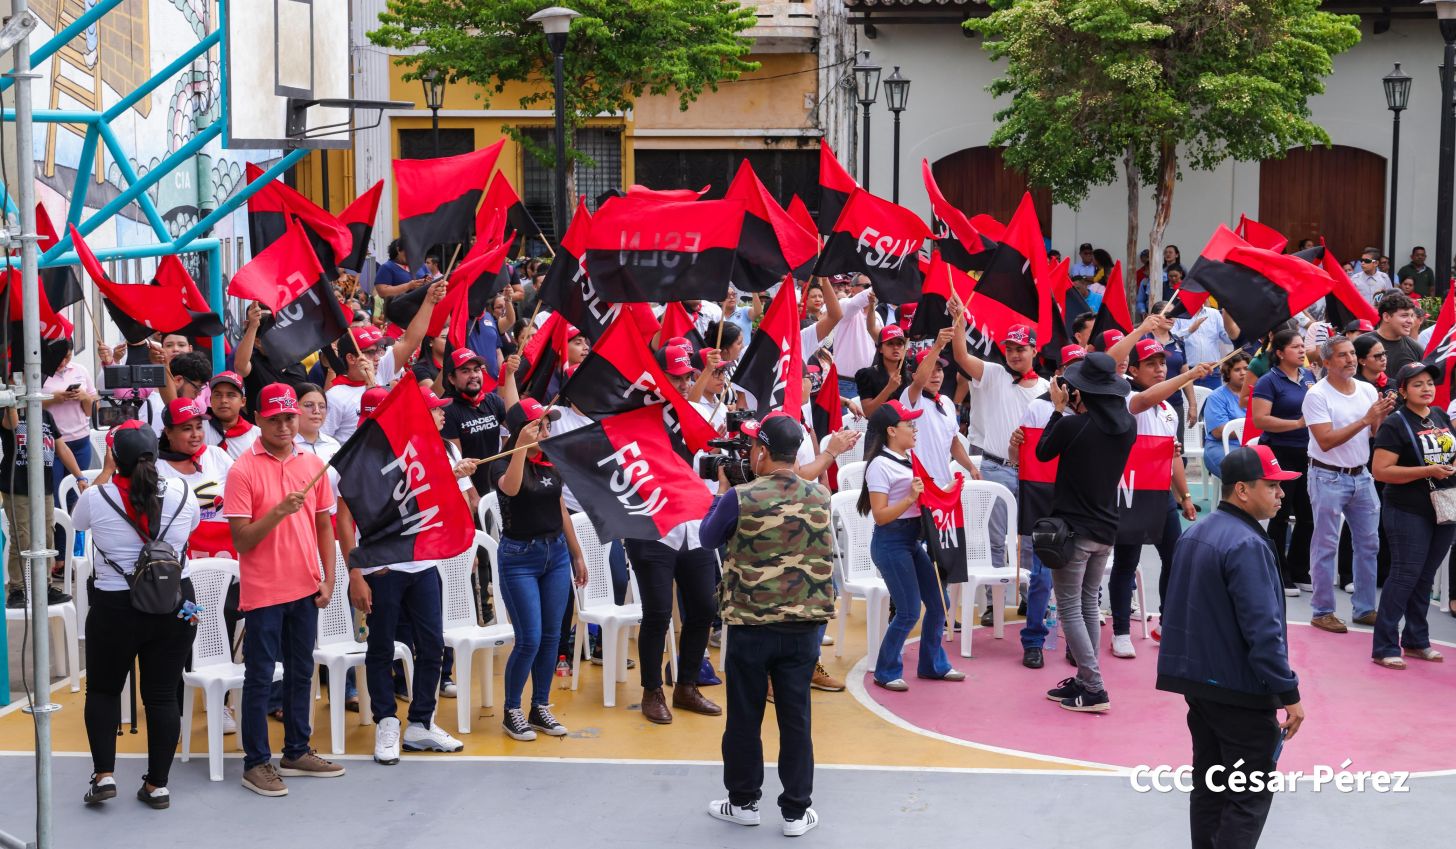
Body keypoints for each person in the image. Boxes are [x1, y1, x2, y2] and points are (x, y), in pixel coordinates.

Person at [1158, 445, 1305, 849]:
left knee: (1210, 787)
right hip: (1240, 691)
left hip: (1200, 686)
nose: (1281, 494)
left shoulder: (1195, 533)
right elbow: (1264, 632)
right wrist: (1289, 693)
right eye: (1272, 485)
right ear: (1242, 489)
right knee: (1248, 796)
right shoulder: (1248, 544)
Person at [699, 414, 835, 837]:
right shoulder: (822, 495)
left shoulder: (739, 496)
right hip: (803, 629)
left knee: (744, 717)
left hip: (750, 626)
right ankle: (795, 812)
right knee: (796, 719)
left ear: (761, 451)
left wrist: (721, 492)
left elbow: (707, 538)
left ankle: (743, 803)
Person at [223, 383, 343, 796]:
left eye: (289, 416)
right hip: (263, 592)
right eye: (274, 418)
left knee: (301, 672)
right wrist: (278, 512)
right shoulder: (242, 470)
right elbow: (241, 541)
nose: (284, 425)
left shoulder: (313, 464)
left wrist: (328, 577)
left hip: (305, 588)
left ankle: (296, 751)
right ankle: (255, 763)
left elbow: (325, 525)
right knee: (259, 677)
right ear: (258, 418)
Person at [74, 423, 200, 810]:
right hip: (175, 603)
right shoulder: (183, 492)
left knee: (104, 690)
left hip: (115, 606)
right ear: (157, 455)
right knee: (163, 695)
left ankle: (104, 775)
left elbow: (78, 525)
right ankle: (157, 785)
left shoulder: (97, 497)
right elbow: (192, 528)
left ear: (115, 457)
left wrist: (106, 472)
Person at [337, 395, 467, 764]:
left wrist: (453, 475)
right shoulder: (355, 459)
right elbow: (344, 520)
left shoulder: (422, 449)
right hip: (381, 569)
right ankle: (386, 722)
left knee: (432, 645)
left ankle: (421, 723)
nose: (439, 413)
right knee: (381, 648)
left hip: (422, 563)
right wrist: (356, 573)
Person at [627, 346, 728, 723]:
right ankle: (652, 690)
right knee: (657, 614)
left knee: (703, 608)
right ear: (657, 379)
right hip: (651, 526)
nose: (684, 384)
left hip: (692, 522)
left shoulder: (696, 414)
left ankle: (686, 685)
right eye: (676, 377)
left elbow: (701, 459)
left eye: (688, 376)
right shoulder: (638, 417)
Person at [1037, 352, 1136, 713]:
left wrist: (1058, 410)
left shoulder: (1072, 425)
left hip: (1074, 532)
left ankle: (1094, 688)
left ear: (1082, 391)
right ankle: (1083, 678)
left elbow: (1043, 451)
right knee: (1089, 605)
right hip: (1106, 529)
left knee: (1070, 608)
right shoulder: (1128, 426)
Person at [490, 398, 587, 741]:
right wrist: (520, 446)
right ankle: (512, 710)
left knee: (551, 636)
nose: (547, 431)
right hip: (519, 558)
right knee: (529, 638)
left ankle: (540, 706)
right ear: (522, 430)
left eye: (547, 425)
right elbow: (512, 489)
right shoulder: (502, 463)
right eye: (540, 426)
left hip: (555, 554)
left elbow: (560, 509)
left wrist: (576, 554)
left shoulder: (549, 461)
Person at [1107, 340, 1211, 661]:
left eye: (1162, 363)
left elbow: (1173, 456)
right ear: (1133, 369)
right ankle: (1121, 633)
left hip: (1160, 494)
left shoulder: (1167, 410)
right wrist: (1188, 375)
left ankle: (1168, 624)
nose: (1159, 369)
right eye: (1150, 364)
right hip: (1129, 493)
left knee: (1175, 558)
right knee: (1126, 562)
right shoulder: (1126, 397)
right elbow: (1144, 400)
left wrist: (1185, 495)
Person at [858, 400, 964, 691]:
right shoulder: (880, 465)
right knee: (908, 611)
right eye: (909, 424)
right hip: (891, 542)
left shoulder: (908, 458)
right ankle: (886, 670)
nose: (915, 429)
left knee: (939, 603)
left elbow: (923, 497)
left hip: (911, 540)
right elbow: (880, 516)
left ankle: (932, 665)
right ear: (892, 431)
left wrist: (947, 491)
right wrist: (909, 498)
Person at [1301, 336, 1394, 633]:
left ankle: (1365, 608)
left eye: (1352, 353)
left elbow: (1373, 433)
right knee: (1326, 544)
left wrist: (1380, 417)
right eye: (1342, 355)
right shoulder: (1317, 395)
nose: (1351, 359)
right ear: (1326, 362)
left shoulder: (1367, 389)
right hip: (1327, 475)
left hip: (1361, 474)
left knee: (1369, 543)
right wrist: (1367, 419)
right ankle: (1322, 611)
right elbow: (1326, 441)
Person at [1370, 362, 1456, 668]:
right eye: (1417, 384)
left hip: (1444, 506)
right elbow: (1380, 471)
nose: (1426, 388)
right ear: (1403, 391)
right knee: (1405, 574)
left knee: (1425, 576)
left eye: (1429, 383)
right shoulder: (1395, 424)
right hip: (1407, 508)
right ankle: (1384, 645)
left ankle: (1417, 641)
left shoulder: (1440, 416)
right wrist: (1427, 471)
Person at [1250, 330, 1316, 594]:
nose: (1302, 351)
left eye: (1302, 346)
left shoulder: (1309, 377)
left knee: (1307, 515)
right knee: (1280, 513)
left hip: (1308, 452)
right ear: (1279, 352)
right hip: (1280, 452)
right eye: (1295, 347)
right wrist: (1297, 424)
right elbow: (1260, 420)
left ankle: (1300, 569)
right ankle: (1280, 572)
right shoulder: (1269, 381)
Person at [2, 403, 86, 607]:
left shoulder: (45, 415)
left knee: (47, 535)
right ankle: (17, 590)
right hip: (18, 486)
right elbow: (12, 424)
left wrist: (79, 476)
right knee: (22, 537)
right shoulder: (9, 412)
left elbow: (61, 447)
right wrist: (13, 399)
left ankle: (45, 587)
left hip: (44, 487)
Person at [441, 349, 519, 494]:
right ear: (451, 378)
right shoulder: (447, 410)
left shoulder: (493, 400)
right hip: (472, 489)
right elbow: (457, 461)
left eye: (477, 370)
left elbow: (518, 424)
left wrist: (509, 375)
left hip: (497, 482)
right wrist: (473, 497)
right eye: (465, 371)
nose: (473, 375)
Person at [41, 338, 97, 499]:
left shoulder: (80, 370)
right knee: (54, 494)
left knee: (77, 493)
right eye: (59, 357)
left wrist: (85, 397)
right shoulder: (39, 374)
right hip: (51, 442)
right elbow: (27, 406)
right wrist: (52, 399)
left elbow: (91, 412)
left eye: (68, 356)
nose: (63, 362)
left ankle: (75, 517)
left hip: (80, 441)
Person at [1202, 353, 1251, 480]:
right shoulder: (1216, 397)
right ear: (1228, 373)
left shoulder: (1258, 393)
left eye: (1246, 368)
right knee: (1243, 470)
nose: (1243, 373)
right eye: (1237, 370)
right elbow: (1219, 432)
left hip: (1253, 445)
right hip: (1221, 446)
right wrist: (1256, 428)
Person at [854, 325, 914, 418]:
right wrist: (889, 388)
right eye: (890, 343)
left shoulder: (910, 377)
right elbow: (868, 413)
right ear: (880, 349)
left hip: (905, 424)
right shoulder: (867, 375)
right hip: (879, 425)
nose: (895, 347)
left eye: (900, 344)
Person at [1361, 292, 1423, 381]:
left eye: (1412, 316)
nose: (1410, 321)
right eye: (1404, 315)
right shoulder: (1362, 344)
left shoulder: (1416, 348)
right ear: (1386, 317)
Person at [204, 371, 259, 459]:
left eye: (231, 395)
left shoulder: (257, 436)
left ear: (243, 401)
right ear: (210, 400)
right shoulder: (199, 429)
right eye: (218, 395)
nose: (223, 400)